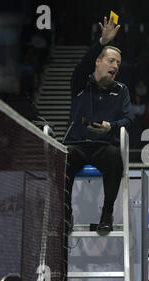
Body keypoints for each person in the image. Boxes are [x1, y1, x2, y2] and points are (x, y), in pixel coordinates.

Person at [62, 16, 134, 235]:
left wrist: (110, 127)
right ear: (98, 62)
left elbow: (129, 119)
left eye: (118, 64)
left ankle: (107, 215)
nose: (115, 66)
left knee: (115, 157)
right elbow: (83, 64)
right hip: (77, 145)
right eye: (111, 61)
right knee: (62, 159)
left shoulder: (121, 90)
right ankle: (65, 215)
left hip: (103, 146)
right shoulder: (81, 82)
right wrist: (101, 43)